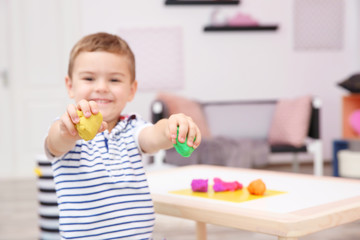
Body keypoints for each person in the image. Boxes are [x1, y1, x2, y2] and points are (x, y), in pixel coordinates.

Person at [44, 32, 201, 240]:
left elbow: (153, 136)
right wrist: (68, 131)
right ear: (70, 86)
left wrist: (170, 127)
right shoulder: (67, 128)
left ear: (131, 90)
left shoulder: (133, 127)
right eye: (89, 78)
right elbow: (55, 142)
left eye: (115, 79)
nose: (101, 87)